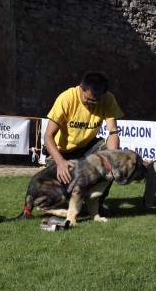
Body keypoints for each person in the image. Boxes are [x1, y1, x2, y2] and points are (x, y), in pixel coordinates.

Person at [44, 71, 124, 216]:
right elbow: (48, 136)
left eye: (96, 101)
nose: (92, 105)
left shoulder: (108, 99)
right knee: (61, 190)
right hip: (62, 151)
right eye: (88, 100)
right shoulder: (66, 99)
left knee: (109, 161)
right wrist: (60, 162)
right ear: (81, 88)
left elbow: (113, 131)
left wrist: (112, 160)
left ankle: (97, 204)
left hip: (87, 147)